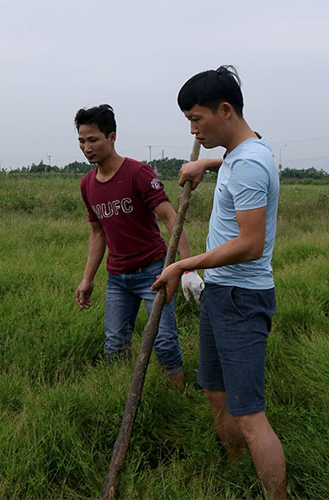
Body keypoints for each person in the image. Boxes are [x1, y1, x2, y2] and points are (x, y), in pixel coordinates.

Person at [151, 66, 286, 499]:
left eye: (197, 119)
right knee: (214, 391)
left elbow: (249, 244)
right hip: (221, 292)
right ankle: (234, 470)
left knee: (249, 414)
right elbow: (235, 157)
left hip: (242, 297)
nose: (193, 128)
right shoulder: (239, 153)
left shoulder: (249, 164)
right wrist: (205, 163)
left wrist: (182, 265)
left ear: (224, 110)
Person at [73, 104, 204, 390]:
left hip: (154, 272)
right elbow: (98, 234)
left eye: (93, 139)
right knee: (114, 346)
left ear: (112, 137)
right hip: (118, 277)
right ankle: (121, 397)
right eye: (82, 141)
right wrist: (87, 279)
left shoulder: (138, 173)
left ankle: (177, 399)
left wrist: (187, 268)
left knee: (165, 342)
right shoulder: (87, 185)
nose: (87, 147)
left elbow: (171, 218)